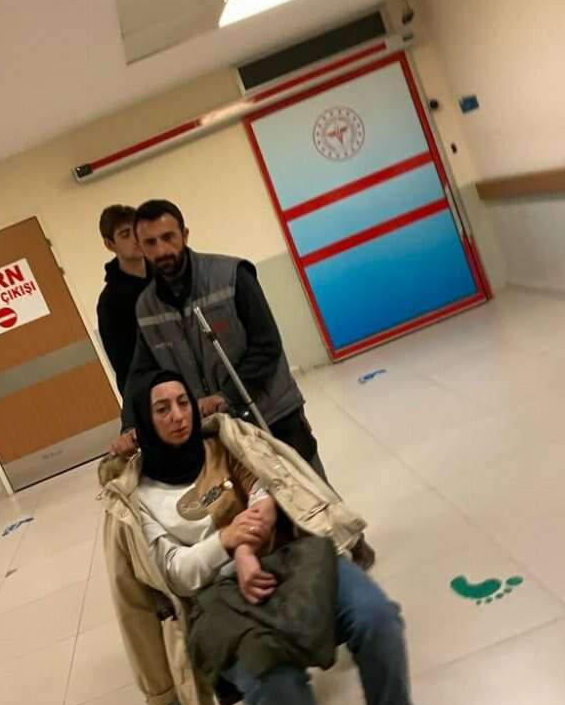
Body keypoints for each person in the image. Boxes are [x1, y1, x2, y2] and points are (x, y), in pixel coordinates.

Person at [101, 369, 436, 705]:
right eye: (162, 409)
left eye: (183, 402)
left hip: (286, 556)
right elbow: (175, 571)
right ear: (142, 420)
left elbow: (265, 493)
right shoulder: (137, 498)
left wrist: (244, 547)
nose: (178, 416)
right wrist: (226, 542)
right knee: (268, 675)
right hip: (216, 599)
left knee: (377, 617)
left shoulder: (225, 445)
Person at [111, 197, 374, 569]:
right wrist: (129, 425)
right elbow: (139, 373)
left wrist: (227, 395)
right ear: (140, 247)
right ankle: (306, 560)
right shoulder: (146, 307)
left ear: (185, 234)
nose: (162, 250)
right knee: (263, 496)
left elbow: (267, 345)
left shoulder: (232, 275)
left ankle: (352, 542)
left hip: (270, 406)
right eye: (151, 242)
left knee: (306, 479)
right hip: (222, 427)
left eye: (169, 237)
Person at [96, 204, 152, 394]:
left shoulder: (167, 275)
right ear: (110, 244)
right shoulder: (110, 303)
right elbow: (125, 366)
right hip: (155, 388)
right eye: (126, 234)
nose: (136, 239)